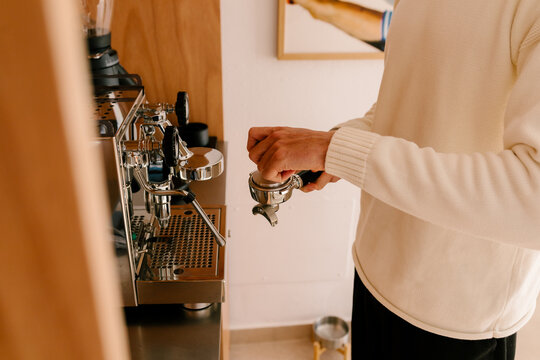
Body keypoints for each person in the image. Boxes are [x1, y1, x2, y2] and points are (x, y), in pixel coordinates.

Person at [247, 0, 540, 358]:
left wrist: (335, 149)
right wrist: (338, 142)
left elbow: (532, 198)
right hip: (375, 277)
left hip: (457, 321)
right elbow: (403, 104)